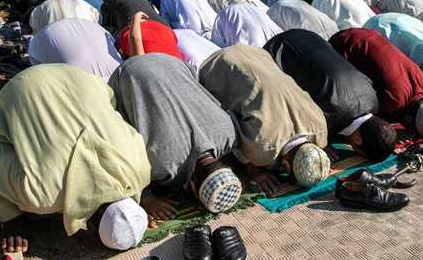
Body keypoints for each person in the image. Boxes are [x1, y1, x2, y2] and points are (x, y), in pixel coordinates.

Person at [0, 64, 151, 252]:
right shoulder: (42, 197)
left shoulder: (141, 169)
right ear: (91, 227)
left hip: (77, 76)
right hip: (20, 90)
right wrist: (10, 220)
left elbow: (114, 109)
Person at [108, 54, 242, 221]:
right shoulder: (166, 168)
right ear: (192, 186)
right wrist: (146, 198)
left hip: (169, 61)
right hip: (126, 75)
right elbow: (130, 167)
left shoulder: (229, 134)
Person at [199, 45, 330, 193]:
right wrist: (255, 170)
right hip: (216, 65)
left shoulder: (320, 127)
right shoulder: (264, 147)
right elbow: (233, 133)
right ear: (286, 165)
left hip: (255, 53)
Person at [264, 30, 396, 161]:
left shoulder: (373, 100)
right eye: (356, 151)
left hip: (311, 36)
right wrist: (319, 142)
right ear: (357, 140)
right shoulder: (331, 116)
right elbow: (302, 126)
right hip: (278, 50)